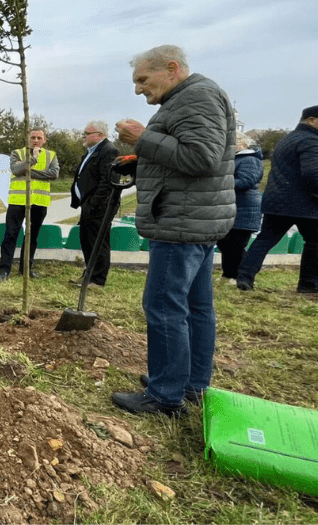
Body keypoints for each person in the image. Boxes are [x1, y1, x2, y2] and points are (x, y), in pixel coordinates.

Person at [111, 45, 236, 417]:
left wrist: (142, 138)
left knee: (164, 306)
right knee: (196, 307)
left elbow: (201, 157)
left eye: (143, 80)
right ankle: (191, 384)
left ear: (171, 68)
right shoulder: (189, 97)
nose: (138, 90)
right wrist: (142, 161)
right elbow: (186, 157)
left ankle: (165, 396)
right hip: (193, 219)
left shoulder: (196, 96)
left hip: (180, 223)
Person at [234, 105, 318, 295]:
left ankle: (244, 277)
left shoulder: (288, 139)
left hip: (278, 201)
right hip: (307, 204)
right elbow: (314, 172)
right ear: (311, 120)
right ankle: (310, 283)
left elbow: (304, 169)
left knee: (265, 240)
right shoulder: (312, 141)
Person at [0, 128, 59, 281]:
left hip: (39, 202)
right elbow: (16, 169)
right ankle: (4, 270)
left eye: (39, 138)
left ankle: (26, 269)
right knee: (10, 235)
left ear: (44, 140)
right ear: (28, 139)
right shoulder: (17, 153)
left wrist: (28, 172)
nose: (36, 140)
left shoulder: (51, 155)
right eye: (33, 137)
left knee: (32, 237)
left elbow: (54, 174)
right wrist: (33, 159)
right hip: (18, 202)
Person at [68, 120, 122, 288]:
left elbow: (107, 182)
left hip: (100, 207)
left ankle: (98, 280)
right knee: (87, 240)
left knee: (98, 242)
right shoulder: (91, 151)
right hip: (88, 204)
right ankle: (88, 275)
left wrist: (94, 203)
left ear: (100, 135)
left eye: (87, 133)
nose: (83, 136)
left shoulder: (109, 151)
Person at [217, 132, 264, 285]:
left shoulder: (250, 160)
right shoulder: (235, 159)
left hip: (244, 208)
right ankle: (228, 274)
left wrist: (221, 182)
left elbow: (247, 181)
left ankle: (241, 276)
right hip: (233, 207)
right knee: (225, 243)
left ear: (243, 144)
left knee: (235, 245)